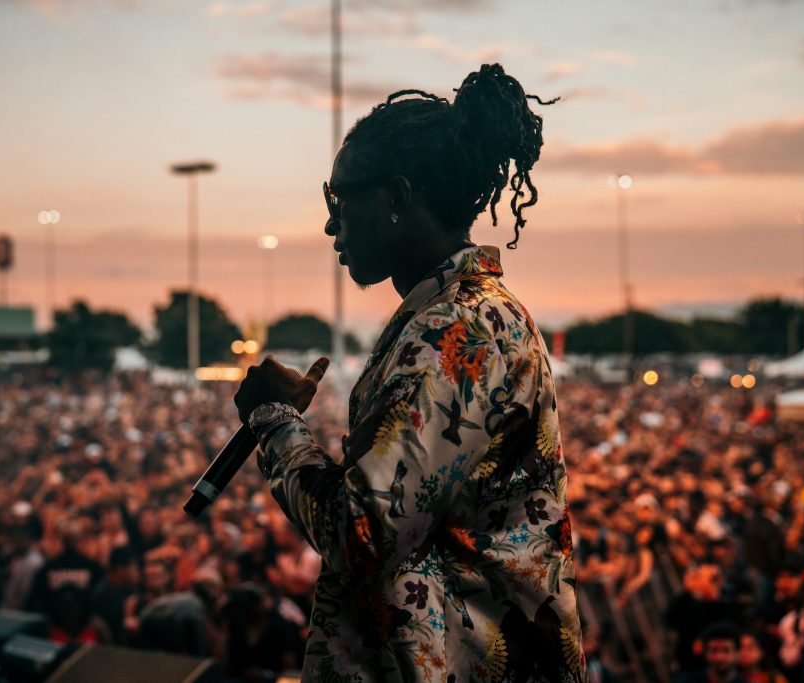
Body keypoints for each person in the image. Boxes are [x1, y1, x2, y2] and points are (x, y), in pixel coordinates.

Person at [234, 63, 587, 681]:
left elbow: (361, 533)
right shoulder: (453, 314)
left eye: (340, 198)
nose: (331, 223)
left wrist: (276, 422)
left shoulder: (459, 330)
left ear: (397, 196)